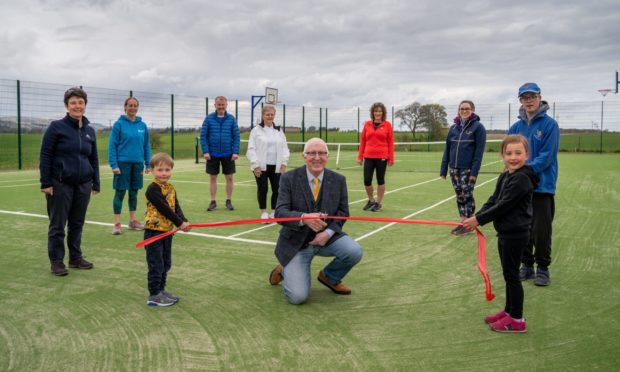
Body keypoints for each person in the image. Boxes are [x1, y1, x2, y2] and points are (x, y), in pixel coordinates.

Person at [268, 138, 363, 305]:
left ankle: (329, 277)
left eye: (321, 153)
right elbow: (280, 213)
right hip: (296, 243)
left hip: (326, 240)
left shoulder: (339, 180)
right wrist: (304, 218)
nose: (317, 157)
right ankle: (284, 267)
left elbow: (343, 212)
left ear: (328, 156)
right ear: (304, 156)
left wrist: (327, 233)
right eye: (312, 153)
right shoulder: (288, 178)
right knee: (298, 298)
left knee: (354, 251)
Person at [463, 134, 539, 333]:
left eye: (518, 153)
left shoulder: (522, 179)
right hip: (505, 232)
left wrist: (478, 220)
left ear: (526, 155)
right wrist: (476, 216)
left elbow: (504, 206)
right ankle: (508, 311)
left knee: (512, 276)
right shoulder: (506, 175)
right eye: (509, 153)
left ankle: (517, 319)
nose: (513, 157)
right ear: (502, 155)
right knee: (508, 274)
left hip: (516, 234)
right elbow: (494, 199)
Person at [39, 87, 100, 276]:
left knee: (77, 223)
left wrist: (95, 182)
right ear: (67, 106)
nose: (77, 106)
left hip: (83, 184)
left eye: (80, 102)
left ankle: (75, 258)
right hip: (60, 184)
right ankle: (57, 261)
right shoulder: (56, 127)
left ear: (85, 105)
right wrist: (46, 182)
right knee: (58, 225)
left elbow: (94, 158)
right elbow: (46, 155)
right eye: (73, 103)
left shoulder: (90, 130)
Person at [508, 82, 560, 286]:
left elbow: (547, 156)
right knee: (523, 228)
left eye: (532, 97)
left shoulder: (550, 125)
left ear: (540, 97)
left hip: (542, 186)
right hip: (521, 187)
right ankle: (527, 265)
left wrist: (525, 171)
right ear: (520, 100)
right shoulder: (515, 127)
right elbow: (509, 152)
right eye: (524, 98)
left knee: (541, 230)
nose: (528, 101)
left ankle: (543, 268)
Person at [143, 153, 191, 307]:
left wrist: (183, 221)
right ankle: (154, 295)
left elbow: (176, 207)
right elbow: (164, 209)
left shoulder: (170, 188)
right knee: (156, 264)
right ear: (152, 171)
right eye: (160, 170)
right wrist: (179, 223)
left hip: (167, 232)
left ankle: (161, 290)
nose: (164, 173)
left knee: (165, 263)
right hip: (154, 232)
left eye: (167, 169)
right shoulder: (152, 189)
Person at [440, 100, 487, 235]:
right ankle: (463, 222)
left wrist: (474, 172)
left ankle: (468, 225)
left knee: (467, 195)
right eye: (461, 109)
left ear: (472, 110)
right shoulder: (453, 128)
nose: (464, 111)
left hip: (468, 169)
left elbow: (479, 153)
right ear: (458, 111)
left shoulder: (478, 127)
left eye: (467, 108)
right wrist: (444, 169)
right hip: (454, 169)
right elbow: (447, 149)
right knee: (459, 196)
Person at [108, 97, 151, 235]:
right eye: (130, 105)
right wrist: (114, 164)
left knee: (134, 193)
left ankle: (132, 222)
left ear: (137, 108)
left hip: (137, 164)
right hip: (122, 164)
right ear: (125, 107)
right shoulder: (118, 125)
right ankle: (117, 224)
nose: (132, 108)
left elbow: (146, 145)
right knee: (120, 193)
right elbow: (112, 146)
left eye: (135, 106)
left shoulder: (142, 125)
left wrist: (147, 163)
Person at [246, 105, 290, 221]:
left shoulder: (279, 130)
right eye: (267, 114)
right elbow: (251, 148)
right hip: (261, 166)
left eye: (272, 114)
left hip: (277, 166)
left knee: (277, 189)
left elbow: (285, 147)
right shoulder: (256, 130)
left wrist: (284, 162)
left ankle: (274, 211)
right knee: (263, 189)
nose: (270, 116)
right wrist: (255, 165)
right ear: (263, 115)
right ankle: (264, 212)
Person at [200, 96, 240, 211]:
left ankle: (228, 200)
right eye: (219, 105)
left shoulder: (231, 119)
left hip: (228, 154)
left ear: (226, 105)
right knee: (212, 178)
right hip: (212, 154)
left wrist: (235, 152)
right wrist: (206, 151)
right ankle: (213, 201)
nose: (221, 107)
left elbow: (236, 136)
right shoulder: (208, 119)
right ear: (215, 105)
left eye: (223, 105)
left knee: (230, 178)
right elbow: (203, 136)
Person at [357, 102, 394, 212]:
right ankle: (371, 200)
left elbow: (390, 142)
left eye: (380, 111)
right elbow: (363, 141)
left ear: (383, 113)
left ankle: (378, 203)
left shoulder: (387, 125)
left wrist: (391, 158)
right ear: (373, 113)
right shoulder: (367, 125)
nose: (378, 113)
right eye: (376, 111)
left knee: (380, 180)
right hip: (368, 156)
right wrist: (360, 157)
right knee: (367, 180)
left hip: (382, 156)